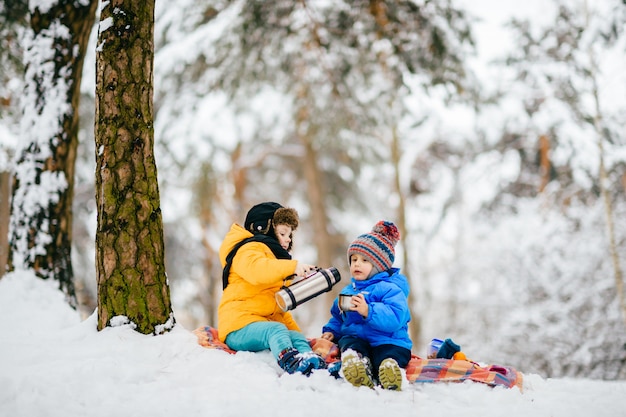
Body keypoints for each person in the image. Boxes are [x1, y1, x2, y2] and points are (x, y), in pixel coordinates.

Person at [218, 202, 327, 376]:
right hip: (238, 327)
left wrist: (297, 334)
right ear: (264, 228)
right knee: (276, 330)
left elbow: (279, 309)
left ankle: (311, 361)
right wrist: (291, 267)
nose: (288, 239)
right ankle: (291, 361)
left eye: (290, 235)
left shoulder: (275, 263)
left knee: (295, 335)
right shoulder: (248, 250)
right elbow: (257, 271)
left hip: (262, 325)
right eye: (283, 233)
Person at [321, 220, 412, 390]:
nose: (356, 264)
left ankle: (390, 370)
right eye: (353, 259)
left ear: (379, 266)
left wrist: (368, 310)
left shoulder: (390, 289)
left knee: (388, 354)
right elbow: (338, 315)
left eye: (364, 260)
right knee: (349, 342)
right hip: (359, 339)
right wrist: (331, 331)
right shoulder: (349, 290)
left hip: (387, 340)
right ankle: (355, 363)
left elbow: (396, 317)